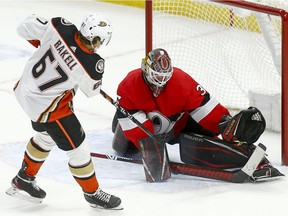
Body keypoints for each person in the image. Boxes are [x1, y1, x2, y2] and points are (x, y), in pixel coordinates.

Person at [111, 48, 284, 182]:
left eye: (165, 77)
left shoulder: (181, 81)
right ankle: (119, 127)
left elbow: (206, 109)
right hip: (151, 129)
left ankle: (246, 157)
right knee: (123, 148)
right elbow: (138, 132)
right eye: (156, 76)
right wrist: (152, 147)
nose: (160, 84)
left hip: (178, 125)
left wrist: (226, 125)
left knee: (192, 147)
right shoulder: (128, 86)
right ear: (146, 70)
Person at [6, 13, 122, 209]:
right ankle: (92, 193)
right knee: (79, 149)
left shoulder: (60, 26)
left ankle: (24, 178)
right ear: (96, 40)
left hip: (25, 92)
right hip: (49, 109)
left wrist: (48, 45)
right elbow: (91, 90)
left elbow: (24, 28)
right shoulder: (92, 65)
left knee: (46, 136)